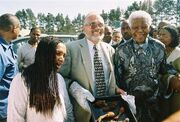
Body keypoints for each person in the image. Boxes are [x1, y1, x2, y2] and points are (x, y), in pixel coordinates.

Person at [114, 10, 180, 122]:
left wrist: (174, 75)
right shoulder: (121, 50)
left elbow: (164, 69)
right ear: (130, 28)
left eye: (144, 27)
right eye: (135, 27)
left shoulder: (159, 47)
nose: (140, 30)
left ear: (149, 27)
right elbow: (118, 78)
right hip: (131, 106)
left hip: (154, 105)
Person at [59, 12, 123, 122]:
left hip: (107, 112)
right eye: (92, 24)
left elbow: (109, 78)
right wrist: (77, 90)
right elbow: (61, 78)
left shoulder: (110, 50)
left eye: (100, 24)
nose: (97, 28)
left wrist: (116, 89)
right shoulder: (71, 48)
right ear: (84, 28)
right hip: (83, 113)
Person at [7, 37, 74, 122]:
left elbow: (67, 109)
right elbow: (15, 117)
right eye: (58, 53)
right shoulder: (22, 80)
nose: (62, 59)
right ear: (44, 54)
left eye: (64, 55)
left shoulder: (59, 79)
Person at [0, 13, 21, 122]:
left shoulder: (7, 47)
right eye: (19, 28)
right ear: (13, 29)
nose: (20, 31)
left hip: (9, 107)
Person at [158, 25, 180, 114]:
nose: (161, 38)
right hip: (160, 93)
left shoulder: (178, 54)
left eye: (165, 35)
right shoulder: (158, 52)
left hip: (176, 95)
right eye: (160, 35)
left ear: (173, 37)